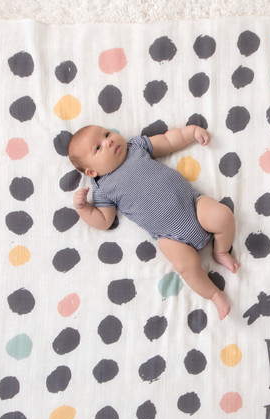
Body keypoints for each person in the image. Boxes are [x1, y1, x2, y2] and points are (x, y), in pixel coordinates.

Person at [68, 124, 240, 319]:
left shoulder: (136, 147)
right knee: (185, 267)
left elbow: (167, 141)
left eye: (107, 134)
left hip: (194, 206)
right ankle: (215, 294)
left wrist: (190, 132)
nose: (108, 141)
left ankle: (221, 251)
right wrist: (83, 209)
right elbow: (104, 221)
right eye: (98, 148)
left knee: (223, 216)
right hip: (171, 237)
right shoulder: (103, 188)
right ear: (91, 172)